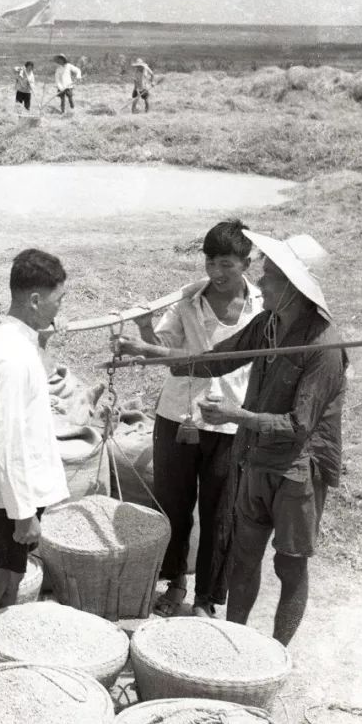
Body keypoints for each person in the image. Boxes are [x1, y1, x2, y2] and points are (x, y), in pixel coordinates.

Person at [129, 233, 345, 646]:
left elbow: (300, 425)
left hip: (298, 468)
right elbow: (214, 361)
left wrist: (237, 416)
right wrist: (147, 349)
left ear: (294, 287)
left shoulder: (325, 346)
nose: (261, 285)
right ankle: (236, 643)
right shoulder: (268, 325)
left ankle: (278, 652)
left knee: (289, 564)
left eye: (271, 278)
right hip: (257, 457)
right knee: (245, 555)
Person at [114, 220, 263, 618]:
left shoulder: (262, 308)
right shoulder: (188, 300)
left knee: (221, 512)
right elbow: (159, 350)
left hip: (229, 422)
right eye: (210, 262)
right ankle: (174, 583)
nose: (216, 272)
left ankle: (207, 598)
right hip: (178, 415)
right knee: (173, 506)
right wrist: (145, 323)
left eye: (227, 265)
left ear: (246, 264)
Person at [0, 249, 70, 638]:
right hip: (2, 498)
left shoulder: (16, 342)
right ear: (35, 300)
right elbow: (6, 441)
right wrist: (23, 512)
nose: (60, 307)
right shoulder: (9, 355)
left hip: (9, 493)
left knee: (10, 582)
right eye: (57, 299)